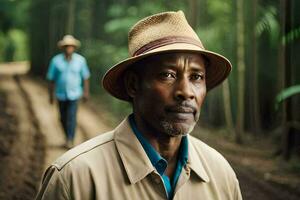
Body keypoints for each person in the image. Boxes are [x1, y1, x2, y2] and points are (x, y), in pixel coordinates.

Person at [36, 11, 242, 200]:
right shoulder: (74, 179)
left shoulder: (221, 175)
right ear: (133, 84)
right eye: (168, 75)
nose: (186, 92)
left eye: (196, 77)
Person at [46, 35, 90, 149]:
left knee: (71, 117)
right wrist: (50, 95)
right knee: (62, 118)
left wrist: (86, 92)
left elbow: (85, 77)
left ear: (74, 47)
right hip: (60, 95)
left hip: (74, 94)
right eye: (66, 46)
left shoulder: (80, 60)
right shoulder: (56, 61)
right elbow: (51, 79)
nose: (68, 48)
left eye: (70, 46)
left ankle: (70, 139)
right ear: (63, 48)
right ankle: (67, 136)